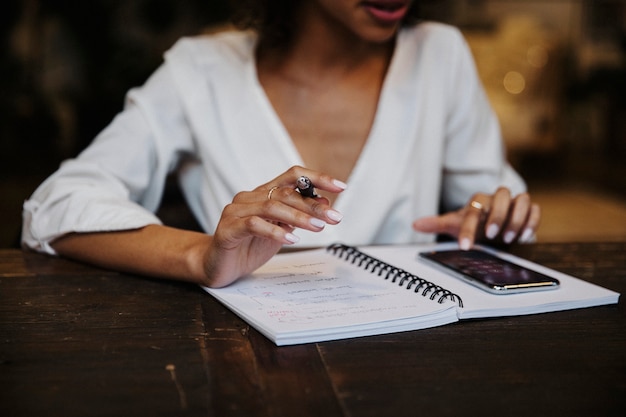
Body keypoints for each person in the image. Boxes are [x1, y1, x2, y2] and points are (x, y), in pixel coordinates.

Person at [22, 0, 540, 288]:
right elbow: (56, 205)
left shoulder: (439, 57)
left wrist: (489, 214)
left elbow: (489, 196)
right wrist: (201, 256)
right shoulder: (201, 71)